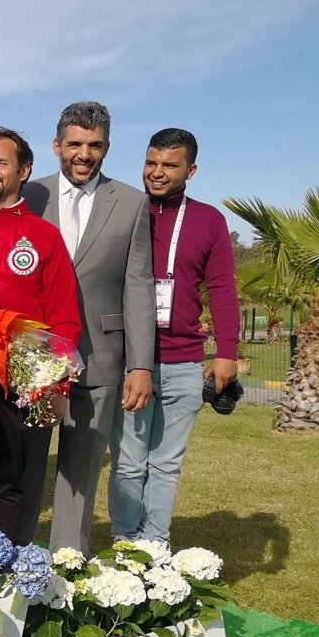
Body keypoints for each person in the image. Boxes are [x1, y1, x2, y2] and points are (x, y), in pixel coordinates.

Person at [21, 101, 155, 553]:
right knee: (26, 468)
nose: (84, 154)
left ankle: (66, 566)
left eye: (95, 145)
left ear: (107, 148)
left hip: (101, 356)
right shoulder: (31, 197)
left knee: (80, 476)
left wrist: (140, 365)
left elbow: (138, 288)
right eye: (75, 143)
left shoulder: (132, 203)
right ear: (57, 145)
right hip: (34, 360)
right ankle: (16, 559)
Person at [107, 128, 240, 547]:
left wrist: (227, 353)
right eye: (151, 163)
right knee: (129, 462)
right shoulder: (126, 209)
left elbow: (221, 289)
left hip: (183, 360)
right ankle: (126, 545)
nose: (157, 173)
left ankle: (156, 546)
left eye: (169, 165)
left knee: (165, 464)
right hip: (131, 360)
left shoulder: (209, 220)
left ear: (191, 169)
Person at [0, 128, 81, 543]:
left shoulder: (44, 237)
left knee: (10, 479)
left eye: (0, 162)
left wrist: (57, 384)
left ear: (23, 170)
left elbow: (64, 318)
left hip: (18, 379)